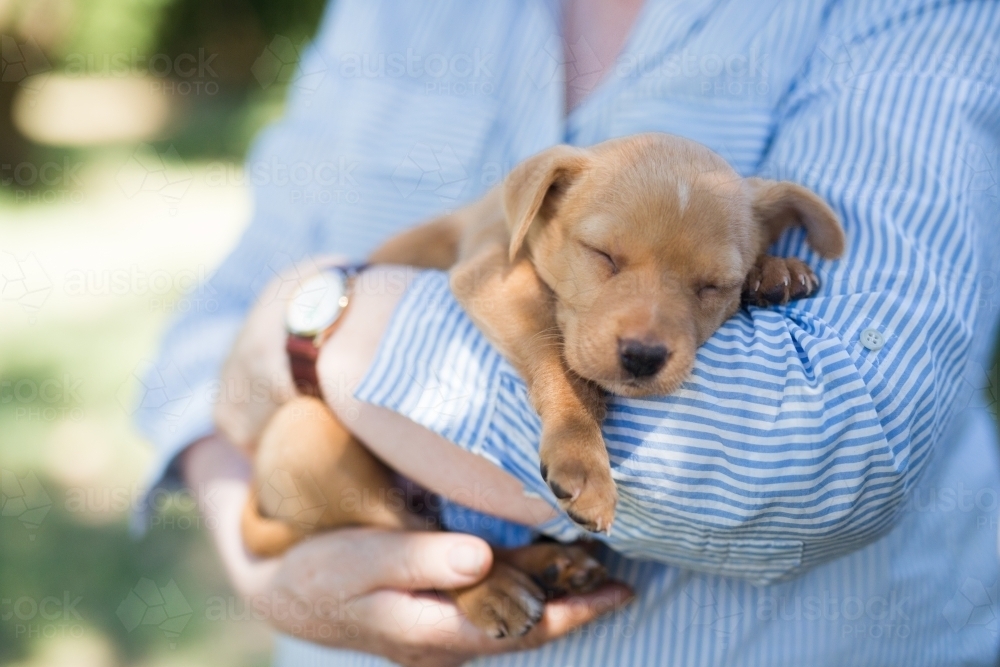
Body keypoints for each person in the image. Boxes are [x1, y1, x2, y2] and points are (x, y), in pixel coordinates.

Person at [136, 0, 1000, 665]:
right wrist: (267, 563)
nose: (654, 326)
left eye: (713, 286)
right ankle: (483, 567)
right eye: (605, 256)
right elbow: (210, 325)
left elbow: (840, 446)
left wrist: (320, 321)